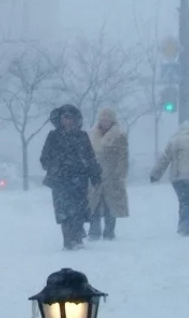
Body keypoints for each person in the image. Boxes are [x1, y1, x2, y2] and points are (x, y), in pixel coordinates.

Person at [40, 104, 101, 250]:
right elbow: (44, 157)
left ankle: (77, 237)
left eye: (70, 118)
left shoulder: (82, 136)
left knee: (79, 210)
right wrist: (54, 166)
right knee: (64, 212)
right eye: (65, 118)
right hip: (60, 181)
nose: (68, 121)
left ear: (76, 120)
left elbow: (90, 157)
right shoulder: (53, 136)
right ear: (60, 120)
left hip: (79, 179)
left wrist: (95, 175)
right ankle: (68, 240)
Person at [151, 122, 189, 236]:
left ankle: (183, 227)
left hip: (178, 178)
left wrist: (155, 174)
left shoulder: (173, 141)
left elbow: (164, 159)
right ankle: (184, 228)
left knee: (183, 201)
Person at [87, 107, 129, 241]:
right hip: (95, 175)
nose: (105, 121)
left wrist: (119, 173)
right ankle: (94, 231)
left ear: (113, 120)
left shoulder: (120, 136)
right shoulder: (91, 135)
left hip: (112, 176)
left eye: (108, 118)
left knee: (111, 205)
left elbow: (123, 156)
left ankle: (109, 232)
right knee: (94, 204)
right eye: (103, 118)